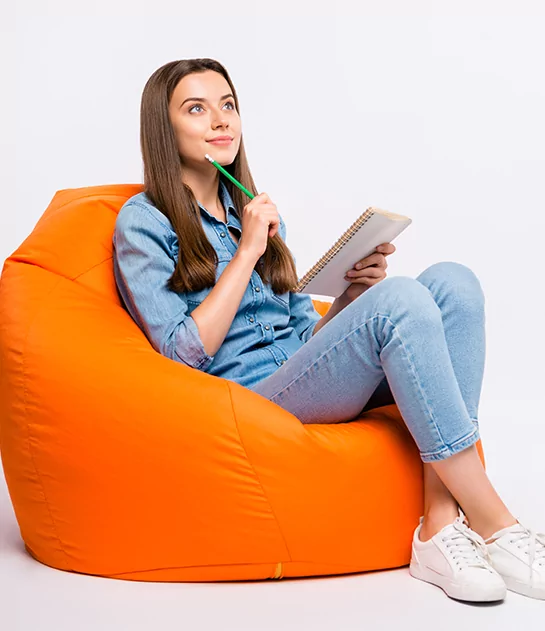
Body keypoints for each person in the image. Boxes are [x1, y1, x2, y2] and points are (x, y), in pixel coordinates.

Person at [112, 58, 544, 603]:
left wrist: (351, 300)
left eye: (228, 105)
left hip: (301, 377)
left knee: (453, 284)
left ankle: (438, 523)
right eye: (196, 109)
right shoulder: (144, 220)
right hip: (247, 403)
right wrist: (248, 251)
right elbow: (180, 355)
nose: (221, 121)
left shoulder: (254, 209)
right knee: (402, 301)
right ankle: (497, 524)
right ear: (164, 127)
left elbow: (304, 337)